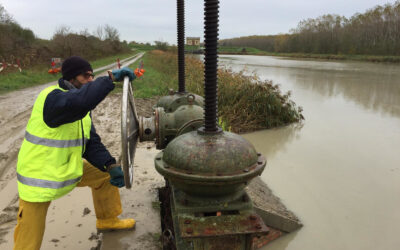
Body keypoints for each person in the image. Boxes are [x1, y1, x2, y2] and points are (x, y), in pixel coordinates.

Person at [13, 56, 136, 250]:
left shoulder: (81, 110)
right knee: (29, 239)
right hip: (38, 177)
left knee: (103, 176)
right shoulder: (53, 98)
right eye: (85, 76)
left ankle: (107, 220)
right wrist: (110, 78)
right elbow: (80, 101)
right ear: (71, 78)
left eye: (92, 76)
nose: (90, 80)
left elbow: (90, 143)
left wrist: (110, 165)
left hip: (66, 167)